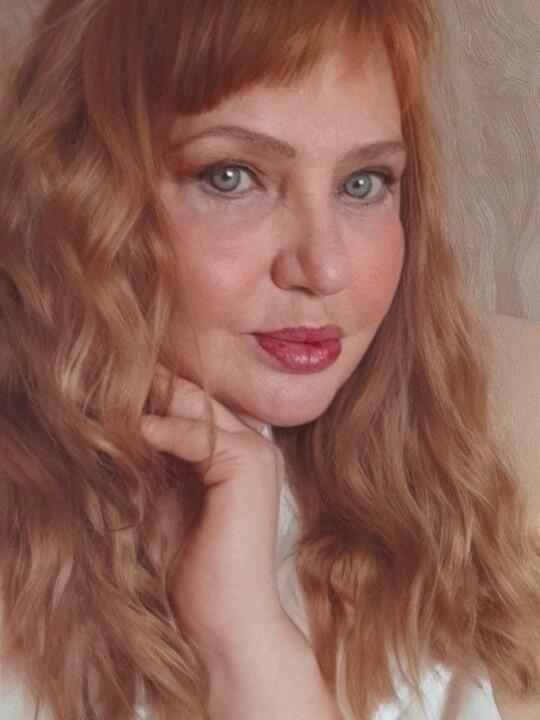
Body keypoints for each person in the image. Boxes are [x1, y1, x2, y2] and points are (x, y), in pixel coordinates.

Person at [1, 1, 539, 719]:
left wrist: (244, 640)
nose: (324, 267)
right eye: (231, 176)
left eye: (363, 183)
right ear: (77, 197)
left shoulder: (433, 515)